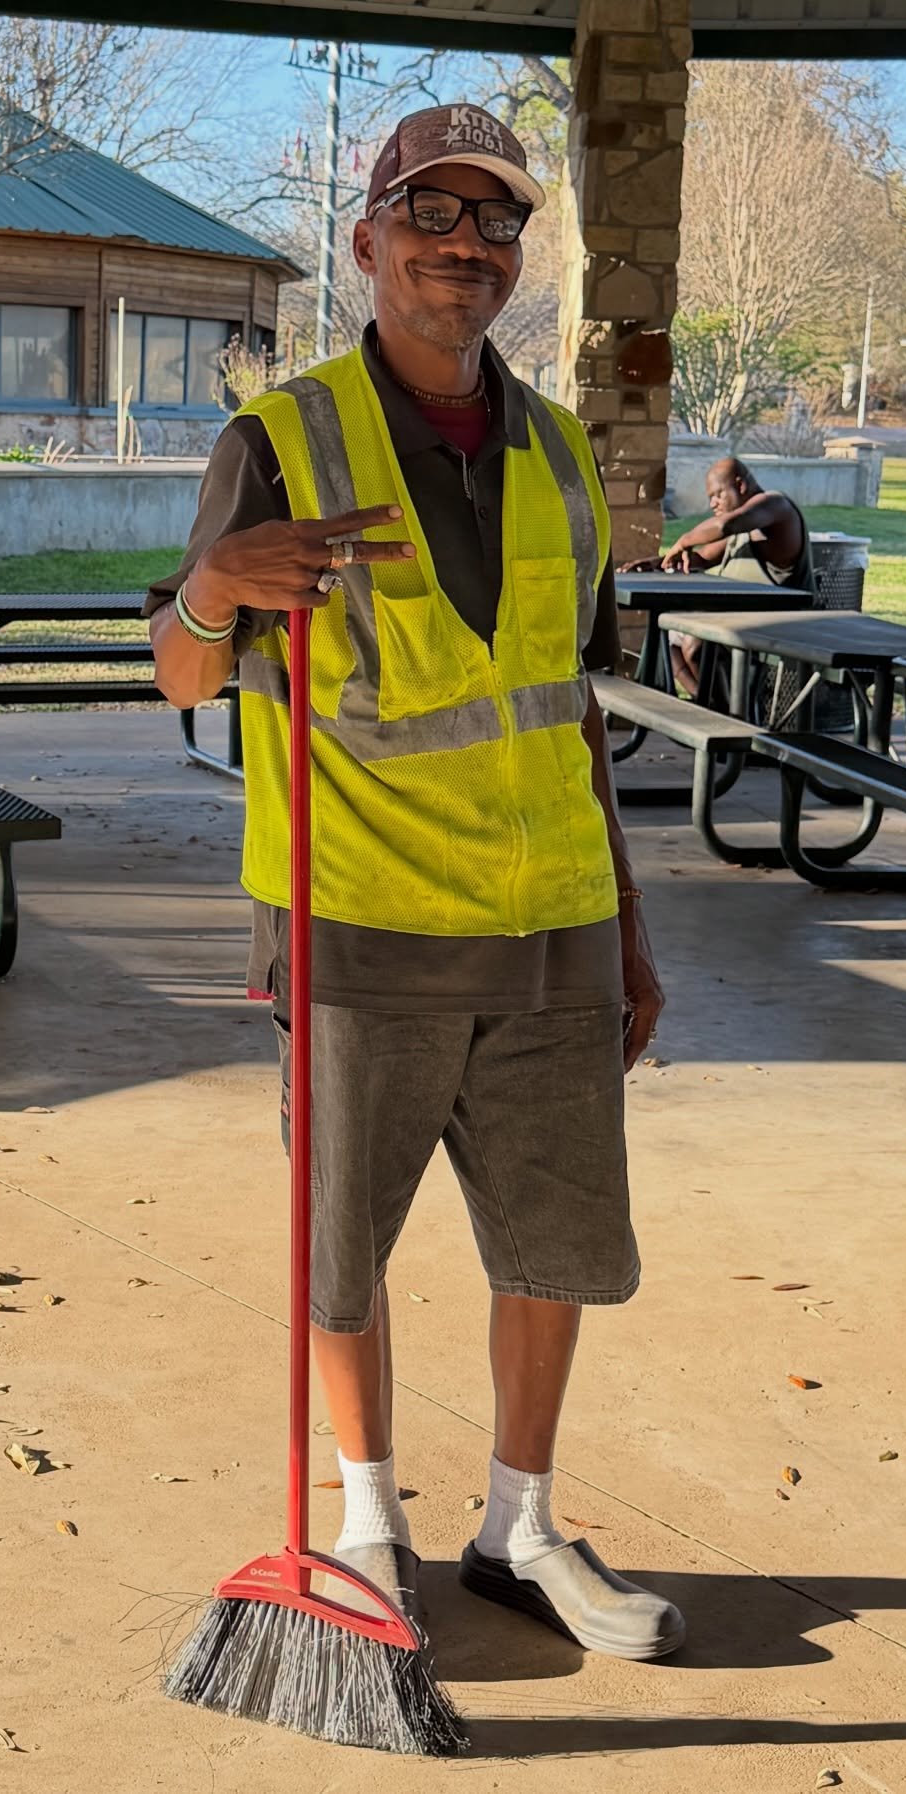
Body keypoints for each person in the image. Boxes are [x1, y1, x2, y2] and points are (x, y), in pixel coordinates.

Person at [147, 105, 684, 1662]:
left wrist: (632, 929)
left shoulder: (568, 451)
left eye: (496, 225)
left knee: (554, 1245)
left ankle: (519, 1521)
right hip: (359, 929)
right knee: (346, 1248)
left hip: (554, 931)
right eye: (432, 215)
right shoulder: (281, 441)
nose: (467, 245)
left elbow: (568, 705)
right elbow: (185, 676)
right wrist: (208, 588)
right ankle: (366, 1518)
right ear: (369, 242)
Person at [649, 456, 815, 696]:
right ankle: (709, 706)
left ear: (740, 485)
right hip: (737, 619)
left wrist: (683, 540)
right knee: (663, 633)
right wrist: (655, 563)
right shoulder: (743, 528)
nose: (713, 504)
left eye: (718, 494)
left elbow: (724, 526)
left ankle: (721, 715)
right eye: (710, 499)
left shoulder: (776, 507)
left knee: (697, 645)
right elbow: (701, 558)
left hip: (779, 625)